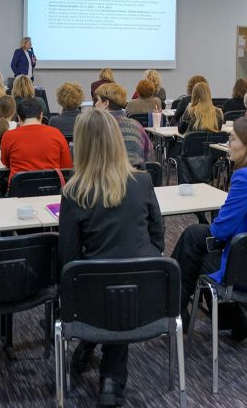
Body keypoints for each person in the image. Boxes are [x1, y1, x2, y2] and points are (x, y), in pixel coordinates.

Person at [59, 108, 164, 405]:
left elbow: (68, 258)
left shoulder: (74, 192)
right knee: (121, 282)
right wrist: (145, 262)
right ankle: (110, 380)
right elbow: (158, 234)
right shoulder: (142, 181)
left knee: (108, 283)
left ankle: (92, 353)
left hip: (96, 295)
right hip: (148, 291)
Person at [171, 116, 247, 343]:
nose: (228, 144)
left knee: (196, 246)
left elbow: (220, 230)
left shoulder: (246, 177)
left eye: (232, 139)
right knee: (196, 237)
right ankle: (235, 322)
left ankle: (176, 311)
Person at [0, 97, 72, 183]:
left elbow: (6, 163)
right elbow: (66, 166)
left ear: (18, 118)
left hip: (19, 191)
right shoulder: (57, 134)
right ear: (41, 115)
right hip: (52, 190)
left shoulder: (8, 136)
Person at [94, 83, 155, 167]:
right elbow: (150, 158)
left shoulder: (96, 127)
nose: (95, 105)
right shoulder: (137, 126)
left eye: (97, 100)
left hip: (107, 178)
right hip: (136, 177)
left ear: (106, 103)